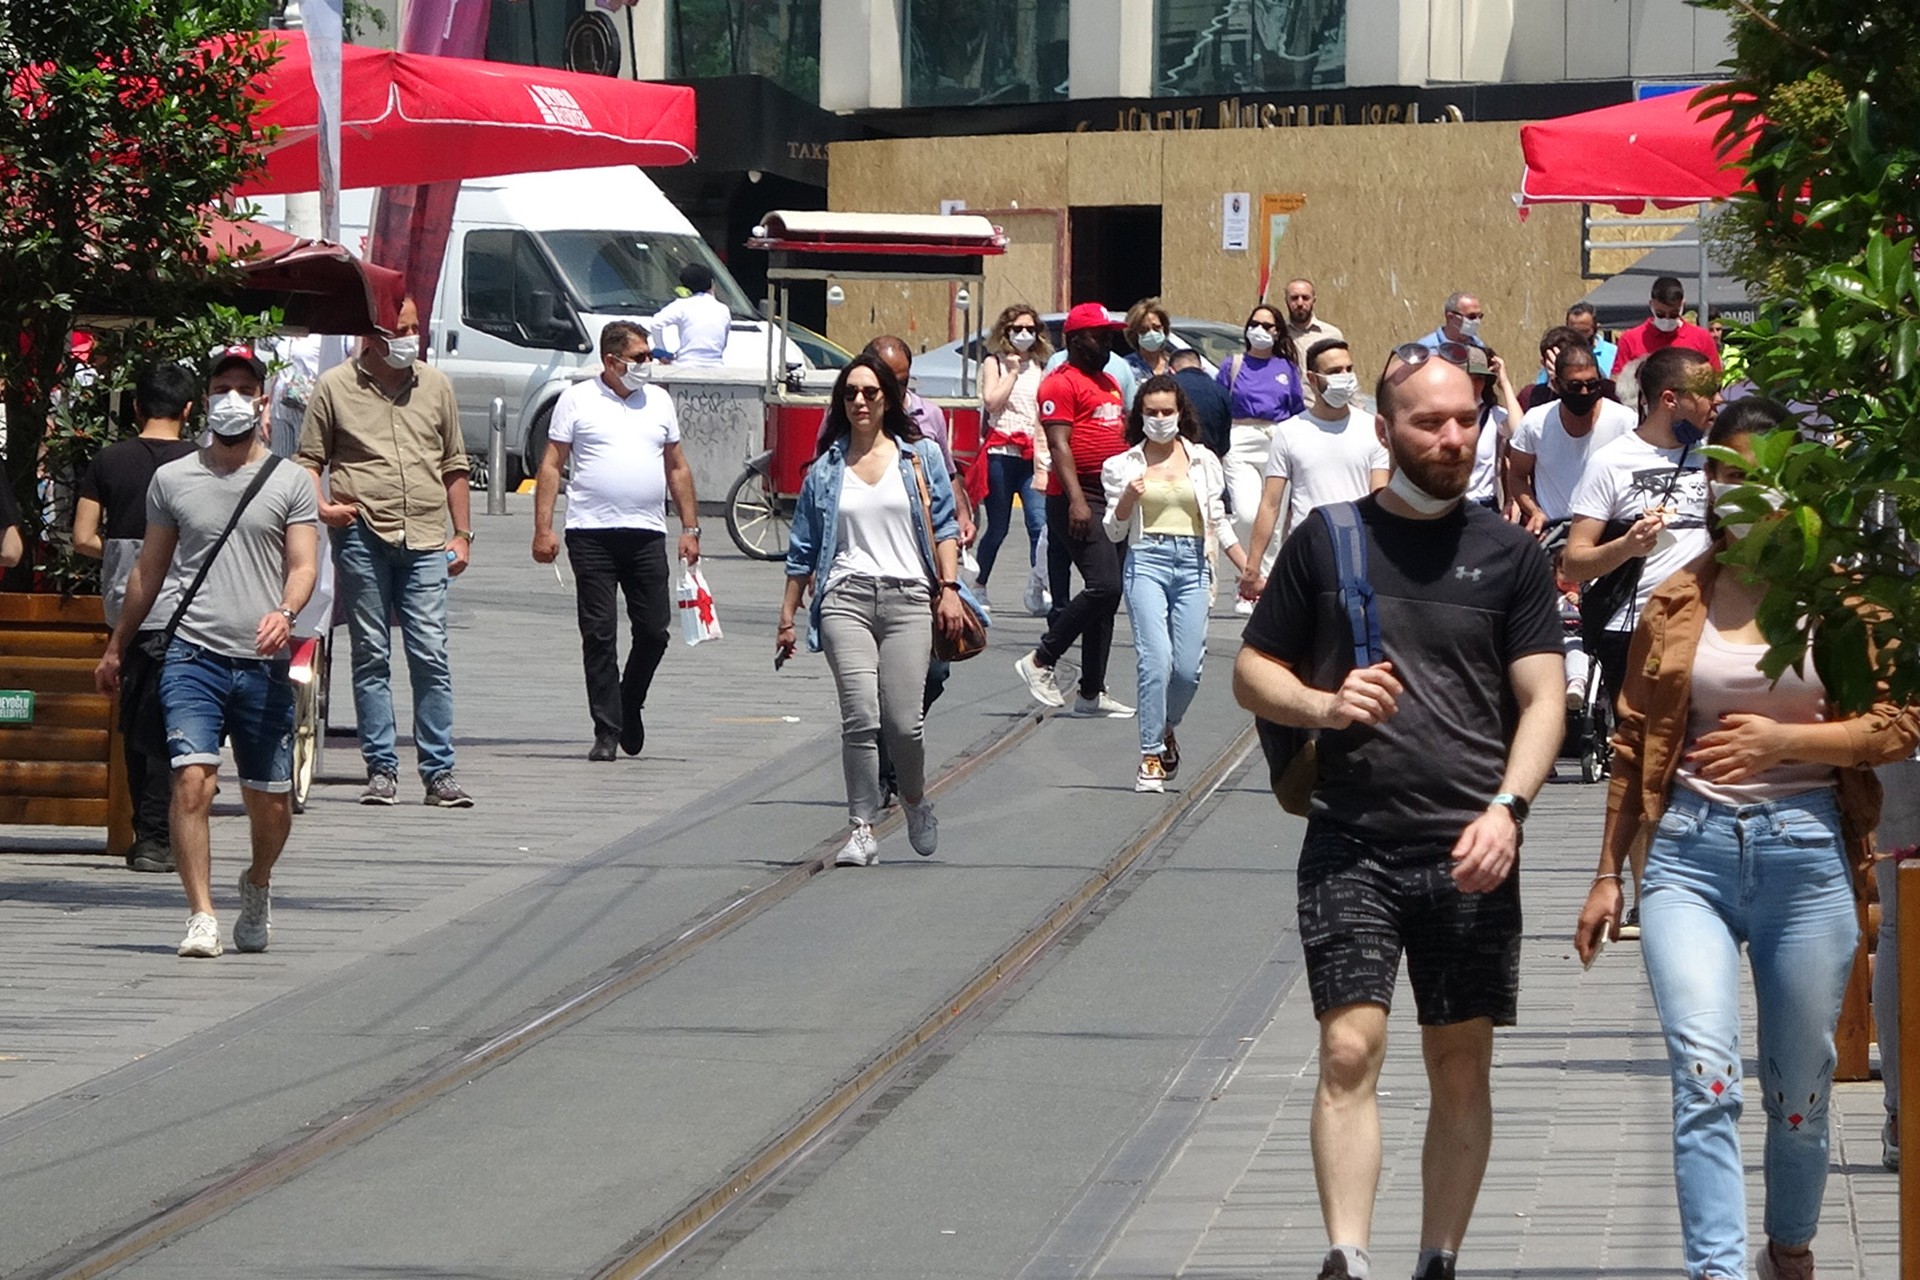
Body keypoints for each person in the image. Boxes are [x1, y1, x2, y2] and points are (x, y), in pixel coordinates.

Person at [1233, 343, 1565, 1280]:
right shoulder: (1330, 539)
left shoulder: (1508, 555)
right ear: (1388, 431)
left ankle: (1438, 1260)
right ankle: (1347, 1255)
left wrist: (1509, 809)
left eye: (1467, 419)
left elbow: (1543, 701)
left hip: (1471, 844)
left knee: (1460, 1064)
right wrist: (1326, 706)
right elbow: (1252, 672)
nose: (1454, 436)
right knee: (1349, 1046)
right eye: (1430, 421)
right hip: (1353, 839)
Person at [1573, 397, 1917, 1280]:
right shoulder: (1678, 596)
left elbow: (1896, 725)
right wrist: (1609, 873)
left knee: (1799, 1092)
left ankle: (1790, 1247)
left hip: (1805, 854)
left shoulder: (1841, 605)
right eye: (1727, 472)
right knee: (1705, 1078)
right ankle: (1718, 1271)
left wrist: (1786, 742)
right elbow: (1629, 743)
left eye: (1762, 476)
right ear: (1710, 482)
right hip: (1687, 853)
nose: (1741, 491)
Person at [93, 354, 319, 958]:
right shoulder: (174, 480)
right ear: (205, 399)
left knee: (269, 802)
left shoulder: (290, 480)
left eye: (245, 390)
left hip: (263, 660)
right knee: (191, 780)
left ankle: (258, 879)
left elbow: (303, 565)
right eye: (223, 389)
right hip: (190, 653)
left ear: (262, 401)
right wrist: (119, 643)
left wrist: (286, 613)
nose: (233, 399)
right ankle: (201, 914)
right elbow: (150, 568)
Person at [775, 354, 969, 867]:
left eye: (870, 393)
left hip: (909, 599)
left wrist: (948, 588)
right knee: (861, 716)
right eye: (850, 394)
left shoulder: (919, 458)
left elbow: (946, 527)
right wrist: (788, 616)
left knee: (904, 724)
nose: (859, 401)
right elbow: (802, 548)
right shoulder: (826, 468)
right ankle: (861, 826)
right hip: (845, 598)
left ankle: (914, 800)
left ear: (888, 399)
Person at [1564, 345, 1719, 938]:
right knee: (1647, 759)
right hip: (1637, 631)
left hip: (1710, 627)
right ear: (1670, 399)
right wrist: (1626, 547)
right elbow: (1575, 563)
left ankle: (1694, 887)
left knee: (1700, 757)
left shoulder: (1718, 458)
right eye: (1706, 394)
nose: (1716, 404)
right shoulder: (1613, 462)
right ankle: (1652, 896)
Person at [297, 296, 475, 808]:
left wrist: (463, 534)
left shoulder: (435, 385)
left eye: (415, 328)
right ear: (372, 335)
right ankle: (380, 769)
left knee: (430, 652)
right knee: (371, 652)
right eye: (401, 329)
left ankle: (439, 771)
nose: (411, 338)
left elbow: (455, 465)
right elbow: (309, 460)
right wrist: (324, 509)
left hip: (424, 536)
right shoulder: (335, 386)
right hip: (361, 533)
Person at [532, 321, 700, 761]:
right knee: (599, 633)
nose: (649, 364)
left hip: (646, 532)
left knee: (654, 631)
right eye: (640, 357)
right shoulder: (577, 399)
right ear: (612, 361)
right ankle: (606, 729)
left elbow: (677, 467)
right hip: (591, 532)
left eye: (649, 356)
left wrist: (690, 527)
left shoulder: (659, 401)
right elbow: (551, 465)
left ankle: (629, 701)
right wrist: (543, 528)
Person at [72, 359, 201, 872]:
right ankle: (158, 835)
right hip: (191, 610)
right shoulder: (201, 464)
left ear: (135, 407)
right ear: (189, 409)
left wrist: (121, 554)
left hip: (127, 611)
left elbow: (82, 537)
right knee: (174, 722)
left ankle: (148, 835)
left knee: (136, 720)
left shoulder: (109, 461)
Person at [1103, 375, 1245, 793]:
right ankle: (1149, 756)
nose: (1161, 419)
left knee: (1188, 668)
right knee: (1155, 660)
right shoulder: (1124, 465)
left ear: (1181, 413)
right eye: (1152, 412)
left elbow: (1217, 521)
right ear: (1139, 415)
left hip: (1193, 564)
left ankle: (1166, 726)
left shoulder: (1203, 461)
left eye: (1167, 411)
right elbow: (1114, 531)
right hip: (1147, 559)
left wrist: (1248, 569)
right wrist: (1128, 498)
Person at [1013, 302, 1137, 718]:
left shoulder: (1109, 383)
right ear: (1074, 339)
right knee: (1105, 585)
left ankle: (1091, 691)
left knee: (1106, 597)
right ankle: (1041, 659)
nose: (1105, 343)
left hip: (1114, 493)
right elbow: (1059, 444)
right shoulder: (1059, 383)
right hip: (1077, 496)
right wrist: (1078, 501)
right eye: (1097, 336)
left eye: (1108, 336)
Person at [1237, 338, 1389, 599]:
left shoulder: (1372, 429)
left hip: (1358, 553)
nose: (1345, 378)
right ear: (1313, 379)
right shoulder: (1289, 432)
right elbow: (1270, 504)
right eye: (1333, 372)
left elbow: (1380, 497)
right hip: (1307, 552)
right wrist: (1253, 566)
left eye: (1348, 369)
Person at [1217, 302, 1305, 610]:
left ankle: (1262, 588)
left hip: (1275, 440)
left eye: (1268, 326)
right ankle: (1248, 575)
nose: (1261, 330)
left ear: (1278, 332)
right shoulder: (1233, 364)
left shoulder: (1287, 368)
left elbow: (1297, 410)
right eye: (1255, 324)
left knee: (1274, 519)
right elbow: (1219, 404)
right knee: (1246, 513)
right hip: (1239, 439)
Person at [1508, 344, 1637, 535]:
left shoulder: (1625, 421)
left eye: (1592, 384)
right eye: (1575, 386)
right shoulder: (1535, 423)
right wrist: (1535, 512)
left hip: (1609, 532)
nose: (1585, 392)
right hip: (1555, 532)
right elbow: (1517, 476)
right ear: (1557, 384)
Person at [974, 305, 1049, 613]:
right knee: (998, 527)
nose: (1023, 335)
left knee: (1038, 523)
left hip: (1032, 456)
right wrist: (1013, 372)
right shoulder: (995, 364)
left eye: (1030, 329)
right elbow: (991, 402)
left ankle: (1038, 585)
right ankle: (978, 584)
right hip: (1001, 454)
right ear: (1004, 332)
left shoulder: (1042, 366)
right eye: (1017, 329)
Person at [1609, 275, 1723, 378]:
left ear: (1683, 305)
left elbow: (1716, 378)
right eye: (1661, 314)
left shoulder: (1702, 338)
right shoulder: (1630, 339)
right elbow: (1618, 382)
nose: (1667, 319)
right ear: (1651, 305)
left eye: (1674, 314)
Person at [648, 262, 733, 365]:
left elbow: (656, 323)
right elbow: (723, 342)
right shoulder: (723, 309)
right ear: (712, 283)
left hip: (686, 364)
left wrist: (661, 351)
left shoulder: (681, 305)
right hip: (716, 365)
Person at [1170, 347, 1232, 462]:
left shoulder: (1167, 387)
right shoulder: (1220, 391)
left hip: (1173, 458)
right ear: (1202, 368)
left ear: (1171, 370)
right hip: (1209, 459)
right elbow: (1224, 443)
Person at [1546, 304, 1617, 385]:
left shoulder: (1614, 353)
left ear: (1596, 328)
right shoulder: (1559, 353)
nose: (1579, 336)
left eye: (1584, 331)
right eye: (1574, 331)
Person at [1283, 277, 1344, 351]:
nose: (1300, 303)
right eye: (1294, 298)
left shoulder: (1331, 334)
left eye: (1305, 298)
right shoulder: (1278, 334)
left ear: (1313, 300)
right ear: (1286, 300)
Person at [1122, 296, 1175, 382]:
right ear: (1134, 334)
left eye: (1157, 327)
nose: (1152, 333)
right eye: (1144, 330)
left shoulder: (1175, 365)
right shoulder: (1126, 367)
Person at [1416, 291, 1486, 351]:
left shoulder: (1478, 344)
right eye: (1471, 316)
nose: (1477, 321)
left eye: (1480, 316)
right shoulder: (1426, 349)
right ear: (1450, 317)